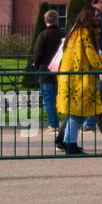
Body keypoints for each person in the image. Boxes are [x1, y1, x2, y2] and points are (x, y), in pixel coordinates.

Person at [57, 0, 102, 154]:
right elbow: (90, 52)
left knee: (79, 110)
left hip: (77, 74)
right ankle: (70, 144)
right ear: (93, 5)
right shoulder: (87, 27)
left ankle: (66, 142)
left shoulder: (84, 24)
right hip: (78, 76)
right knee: (78, 111)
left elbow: (92, 51)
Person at [28, 11, 64, 142]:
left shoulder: (43, 35)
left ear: (45, 20)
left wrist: (36, 64)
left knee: (49, 99)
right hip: (61, 70)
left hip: (45, 70)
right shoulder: (63, 34)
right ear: (57, 20)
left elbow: (38, 53)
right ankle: (64, 124)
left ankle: (54, 125)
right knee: (62, 98)